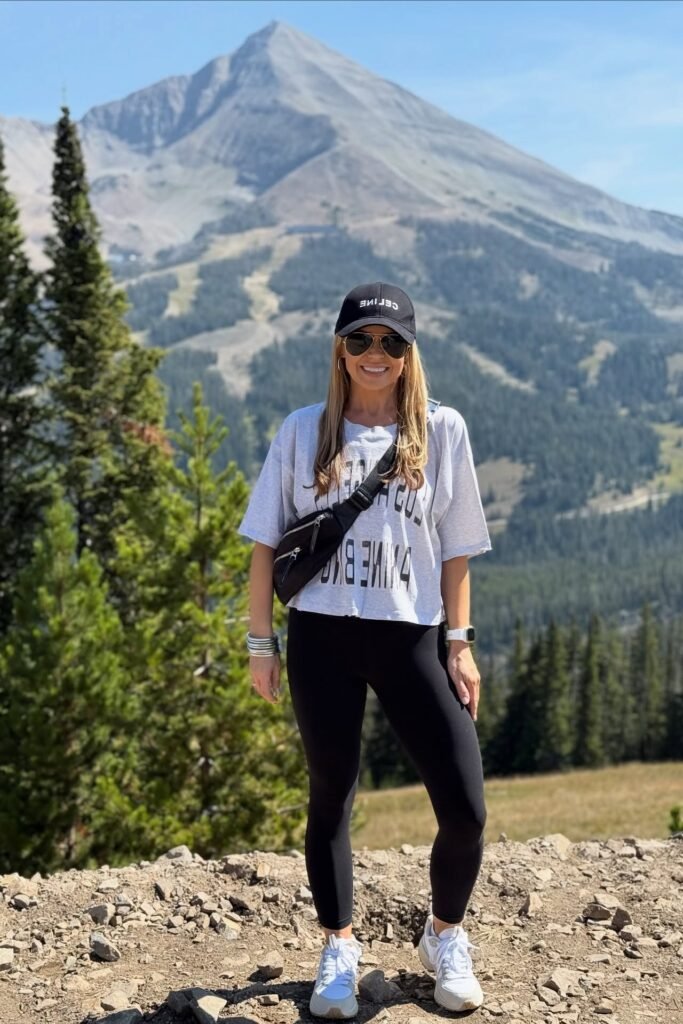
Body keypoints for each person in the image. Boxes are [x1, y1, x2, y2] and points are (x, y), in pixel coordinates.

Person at [238, 281, 492, 1018]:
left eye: (390, 342)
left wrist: (459, 644)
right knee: (331, 796)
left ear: (409, 354)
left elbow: (456, 549)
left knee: (466, 806)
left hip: (412, 634)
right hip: (320, 635)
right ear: (340, 350)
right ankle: (339, 947)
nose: (374, 354)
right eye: (360, 340)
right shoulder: (303, 431)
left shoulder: (441, 431)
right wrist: (261, 642)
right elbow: (263, 546)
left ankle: (443, 934)